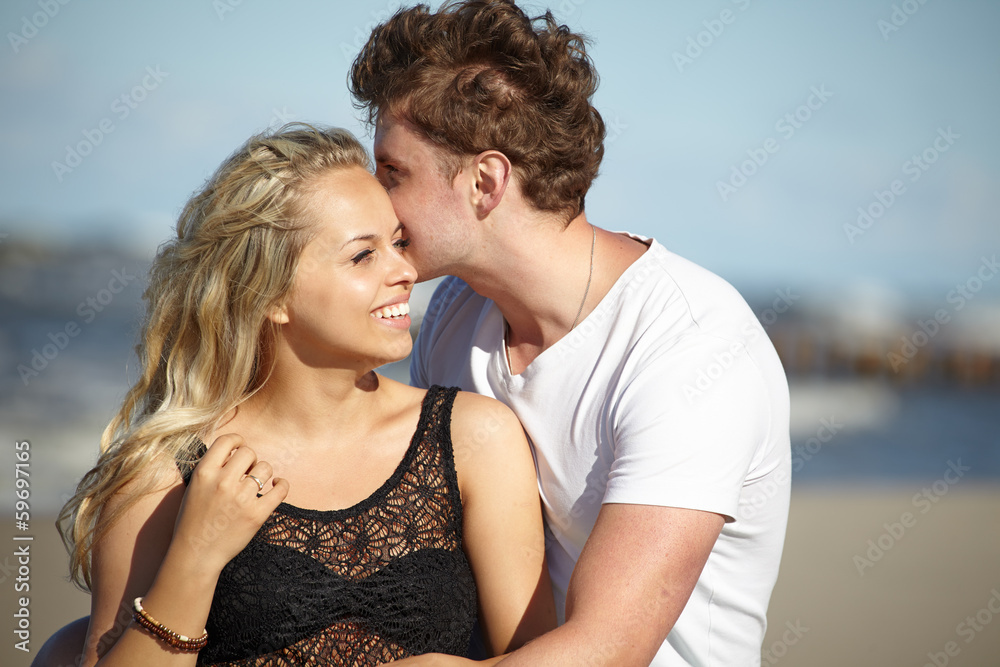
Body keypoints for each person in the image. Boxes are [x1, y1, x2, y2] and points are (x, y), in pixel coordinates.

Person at [349, 1, 791, 665]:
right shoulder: (452, 319)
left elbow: (608, 648)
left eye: (393, 172)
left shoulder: (690, 344)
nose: (373, 201)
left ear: (485, 181)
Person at [47, 123, 555, 667]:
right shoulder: (163, 474)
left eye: (398, 243)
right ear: (271, 294)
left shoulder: (474, 439)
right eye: (363, 256)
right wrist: (196, 555)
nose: (406, 271)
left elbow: (541, 657)